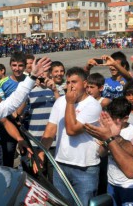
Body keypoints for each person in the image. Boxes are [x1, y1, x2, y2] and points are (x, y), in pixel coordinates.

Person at [37, 67, 102, 206]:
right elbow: (50, 129)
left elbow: (72, 130)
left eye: (74, 82)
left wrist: (70, 103)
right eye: (68, 82)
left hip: (85, 168)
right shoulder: (60, 101)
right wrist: (41, 152)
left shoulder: (93, 106)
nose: (70, 86)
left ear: (85, 84)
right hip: (60, 165)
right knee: (61, 203)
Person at [97, 97, 133, 206]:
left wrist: (115, 137)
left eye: (116, 118)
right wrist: (105, 141)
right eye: (111, 117)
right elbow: (101, 153)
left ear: (125, 118)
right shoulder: (108, 130)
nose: (113, 121)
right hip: (111, 183)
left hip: (129, 185)